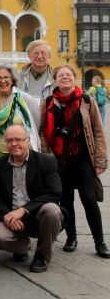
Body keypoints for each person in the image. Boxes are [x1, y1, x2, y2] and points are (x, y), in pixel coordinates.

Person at [39, 65, 109, 258]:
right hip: (59, 158)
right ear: (55, 80)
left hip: (82, 156)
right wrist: (46, 155)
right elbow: (43, 130)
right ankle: (71, 238)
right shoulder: (48, 101)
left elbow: (98, 131)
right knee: (65, 199)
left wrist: (101, 160)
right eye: (61, 75)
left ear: (74, 78)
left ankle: (99, 241)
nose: (65, 78)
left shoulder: (86, 100)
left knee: (89, 198)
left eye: (68, 75)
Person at [0, 125, 64, 273]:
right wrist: (8, 216)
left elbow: (54, 193)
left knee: (52, 210)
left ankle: (41, 256)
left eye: (18, 140)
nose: (14, 144)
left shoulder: (46, 162)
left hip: (37, 214)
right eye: (9, 141)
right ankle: (22, 247)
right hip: (11, 216)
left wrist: (24, 210)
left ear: (28, 141)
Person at [0, 65, 41, 163]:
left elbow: (36, 125)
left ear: (12, 80)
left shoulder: (25, 99)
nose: (3, 81)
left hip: (22, 154)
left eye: (6, 77)